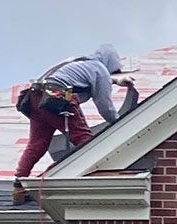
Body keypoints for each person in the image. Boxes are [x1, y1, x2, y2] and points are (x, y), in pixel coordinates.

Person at [12, 44, 139, 201]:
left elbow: (82, 78)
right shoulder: (100, 71)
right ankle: (42, 183)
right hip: (57, 98)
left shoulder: (77, 62)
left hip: (35, 97)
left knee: (37, 145)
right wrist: (120, 123)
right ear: (111, 64)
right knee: (85, 145)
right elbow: (105, 107)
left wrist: (115, 80)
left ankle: (19, 186)